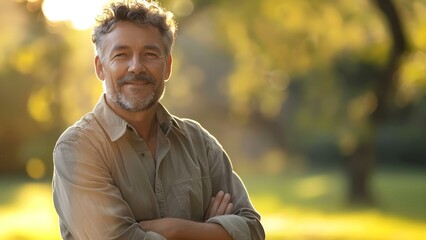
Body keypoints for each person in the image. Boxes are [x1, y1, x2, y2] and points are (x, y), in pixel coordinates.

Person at [52, 0, 265, 239]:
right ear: (100, 67)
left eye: (150, 54)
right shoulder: (79, 148)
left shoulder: (199, 143)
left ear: (168, 66)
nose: (136, 67)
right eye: (121, 55)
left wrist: (174, 229)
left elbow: (253, 230)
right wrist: (211, 232)